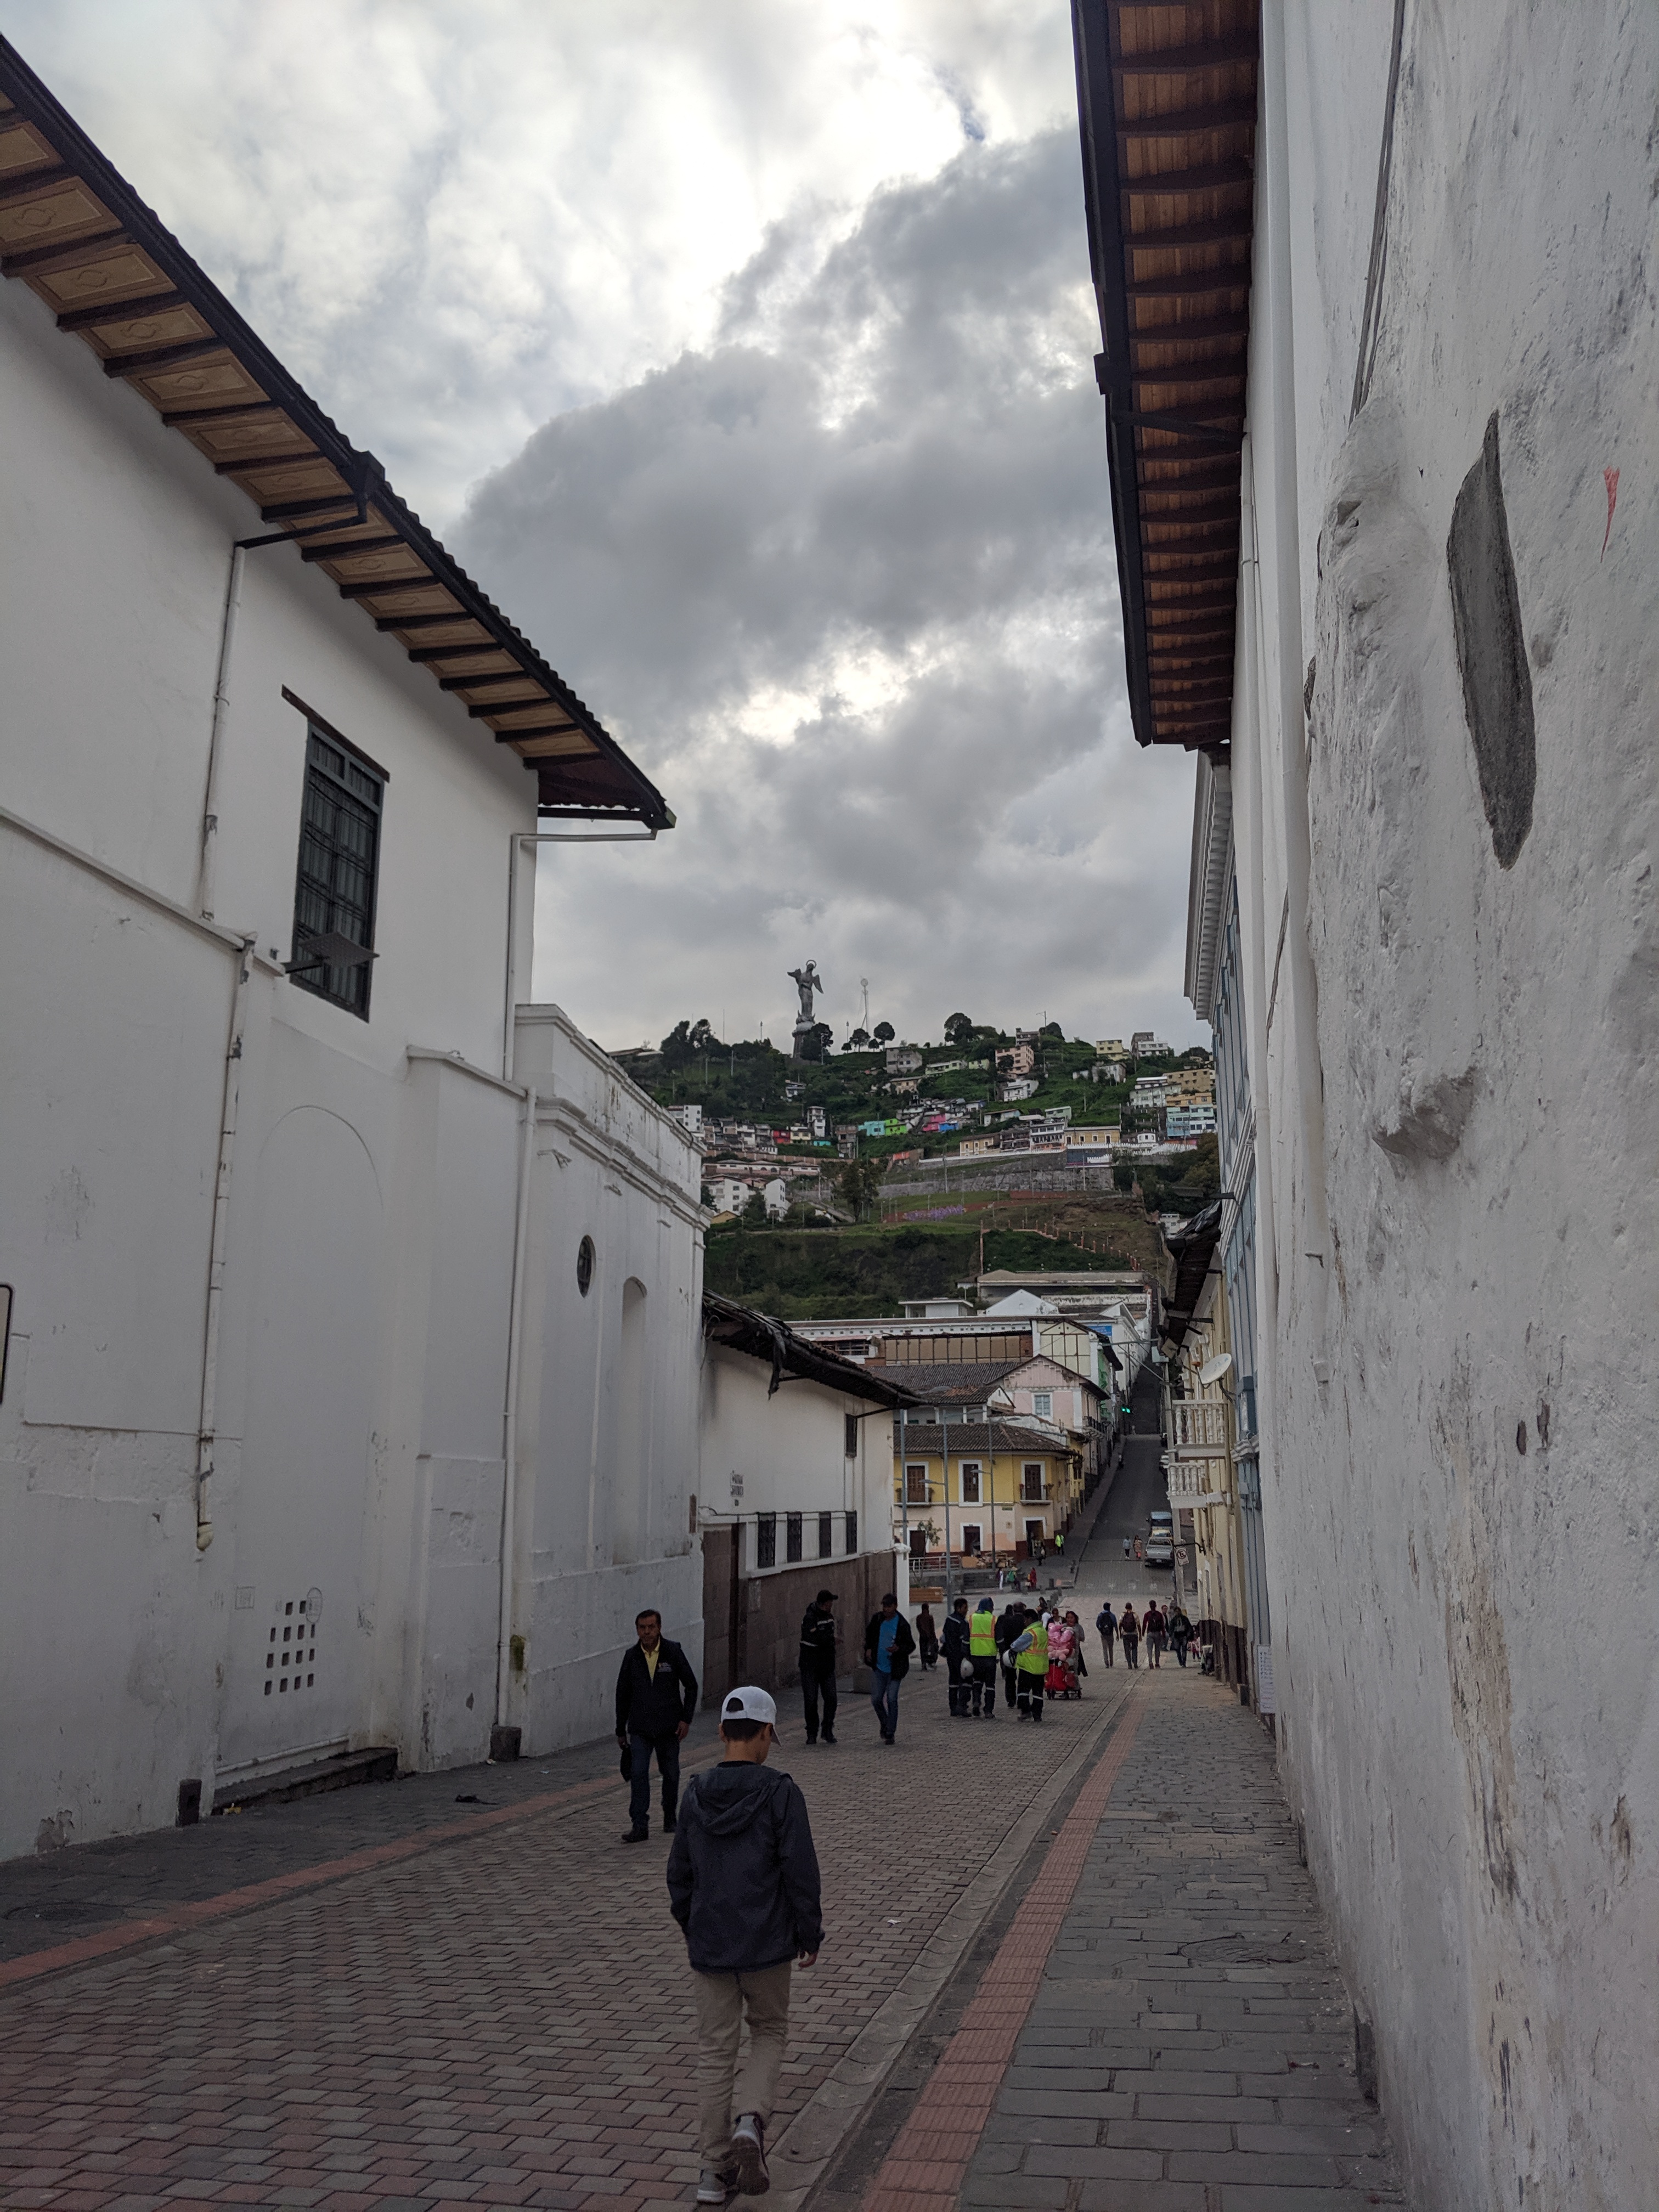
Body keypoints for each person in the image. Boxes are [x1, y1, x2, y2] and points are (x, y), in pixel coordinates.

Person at [667, 1685, 822, 2205]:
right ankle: (751, 2121)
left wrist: (693, 1926)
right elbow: (800, 1870)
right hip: (767, 1943)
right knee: (770, 2030)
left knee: (715, 2050)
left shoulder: (695, 1792)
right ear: (765, 1734)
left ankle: (713, 2174)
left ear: (720, 1732)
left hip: (711, 1945)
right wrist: (809, 1932)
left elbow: (679, 1874)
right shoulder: (780, 1792)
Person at [616, 1609, 698, 1843]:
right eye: (642, 1628)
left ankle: (670, 1815)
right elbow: (622, 1694)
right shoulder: (631, 1657)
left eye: (651, 1627)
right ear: (637, 1630)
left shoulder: (673, 1652)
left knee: (671, 1773)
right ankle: (639, 1824)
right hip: (640, 1728)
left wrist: (686, 1719)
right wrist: (620, 1729)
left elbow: (691, 1685)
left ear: (659, 1628)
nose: (647, 1632)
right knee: (638, 1773)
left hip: (669, 1727)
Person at [862, 1593, 915, 1744]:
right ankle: (885, 1723)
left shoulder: (902, 1624)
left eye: (889, 1606)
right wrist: (868, 1649)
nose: (886, 1609)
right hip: (879, 1667)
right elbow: (869, 1635)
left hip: (895, 1669)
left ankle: (890, 1732)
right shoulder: (877, 1619)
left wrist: (898, 1649)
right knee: (876, 1699)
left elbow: (910, 1645)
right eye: (884, 1606)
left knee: (892, 1698)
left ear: (895, 1606)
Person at [798, 1589, 839, 1745]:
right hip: (810, 1666)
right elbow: (815, 1638)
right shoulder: (809, 1618)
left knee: (832, 1699)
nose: (831, 1605)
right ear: (824, 1604)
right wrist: (829, 1640)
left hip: (827, 1666)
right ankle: (812, 1732)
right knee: (811, 1700)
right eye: (830, 1603)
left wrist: (830, 1640)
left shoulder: (829, 1618)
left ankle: (827, 1729)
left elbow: (827, 1637)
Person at [1008, 1609, 1049, 1721]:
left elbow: (1015, 1646)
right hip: (1041, 1667)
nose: (1024, 1622)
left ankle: (1026, 1711)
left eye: (1025, 1619)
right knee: (1038, 1693)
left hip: (1028, 1667)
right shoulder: (1042, 1631)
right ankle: (1037, 1715)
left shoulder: (1031, 1633)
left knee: (1023, 1692)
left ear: (1030, 1619)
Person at [941, 1596, 972, 1716]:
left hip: (950, 1655)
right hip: (959, 1656)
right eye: (965, 1608)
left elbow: (944, 1636)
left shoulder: (949, 1620)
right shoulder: (962, 1623)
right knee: (965, 1681)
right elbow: (965, 1641)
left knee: (953, 1681)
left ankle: (953, 1707)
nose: (967, 1610)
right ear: (959, 1608)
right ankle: (962, 1706)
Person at [969, 1598, 1000, 1718]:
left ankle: (976, 1701)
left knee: (977, 1682)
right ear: (989, 1607)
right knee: (990, 1686)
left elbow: (966, 1638)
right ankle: (988, 1711)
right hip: (990, 1657)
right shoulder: (994, 1620)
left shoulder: (971, 1618)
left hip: (975, 1657)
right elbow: (1000, 1639)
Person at [995, 1600, 1026, 1710]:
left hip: (1010, 1652)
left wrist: (1003, 1651)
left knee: (1010, 1677)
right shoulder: (1026, 1622)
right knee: (1023, 1676)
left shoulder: (1008, 1621)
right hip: (1024, 1652)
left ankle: (1011, 1700)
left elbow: (1003, 1636)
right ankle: (1022, 1699)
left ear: (1013, 1610)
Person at [1064, 1609, 1087, 1680]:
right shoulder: (1064, 1627)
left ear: (1075, 1618)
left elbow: (1082, 1638)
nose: (1070, 1620)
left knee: (1076, 1668)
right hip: (1065, 1650)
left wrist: (1075, 1634)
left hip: (1076, 1650)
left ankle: (1075, 1681)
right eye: (1068, 1618)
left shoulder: (1078, 1627)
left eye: (1072, 1618)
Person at [1169, 1602, 1193, 1668]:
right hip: (1177, 1636)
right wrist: (1172, 1635)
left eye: (1178, 1611)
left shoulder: (1185, 1619)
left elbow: (1189, 1626)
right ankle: (1180, 1660)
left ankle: (1184, 1662)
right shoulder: (1174, 1620)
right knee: (1177, 1649)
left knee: (1184, 1649)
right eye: (1176, 1612)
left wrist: (1188, 1634)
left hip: (1184, 1635)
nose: (1177, 1613)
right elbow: (1171, 1628)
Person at [916, 1602, 940, 1671]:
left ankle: (923, 1665)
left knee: (922, 1651)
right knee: (929, 1650)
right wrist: (934, 1638)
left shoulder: (919, 1617)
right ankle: (930, 1663)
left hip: (922, 1637)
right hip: (930, 1637)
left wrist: (922, 1633)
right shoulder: (930, 1617)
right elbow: (932, 1629)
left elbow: (918, 1627)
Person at [1119, 1602, 1140, 1669]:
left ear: (1126, 1608)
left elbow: (1120, 1625)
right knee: (1134, 1648)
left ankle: (1129, 1664)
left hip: (1126, 1634)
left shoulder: (1123, 1615)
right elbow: (1138, 1625)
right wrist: (1140, 1635)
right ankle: (1135, 1663)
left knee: (1127, 1649)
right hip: (1134, 1634)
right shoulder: (1135, 1615)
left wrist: (1120, 1633)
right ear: (1132, 1607)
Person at [1096, 1601, 1117, 1667]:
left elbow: (1097, 1624)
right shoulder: (1112, 1615)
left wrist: (1101, 1630)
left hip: (1104, 1634)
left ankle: (1106, 1663)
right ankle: (1111, 1662)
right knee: (1111, 1649)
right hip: (1110, 1634)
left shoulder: (1100, 1615)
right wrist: (1118, 1634)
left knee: (1105, 1649)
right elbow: (1115, 1625)